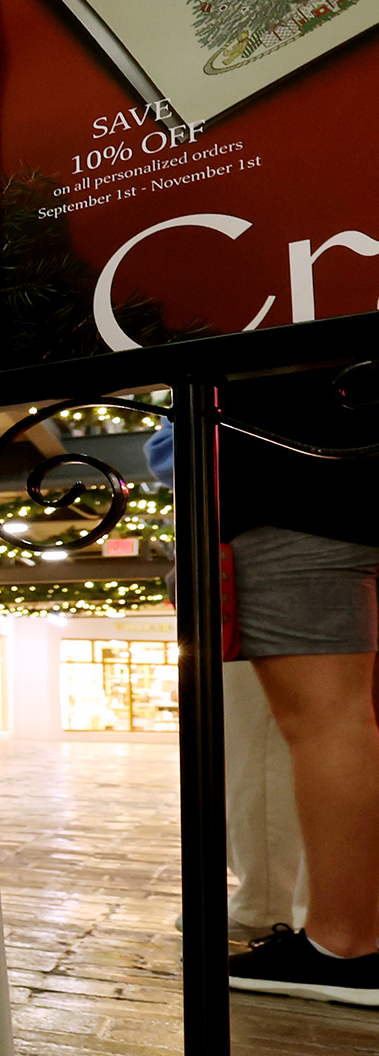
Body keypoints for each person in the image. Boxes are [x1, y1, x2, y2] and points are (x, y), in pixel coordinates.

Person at [171, 376, 379, 1006]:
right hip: (352, 478)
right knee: (352, 719)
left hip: (297, 484)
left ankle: (346, 945)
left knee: (328, 722)